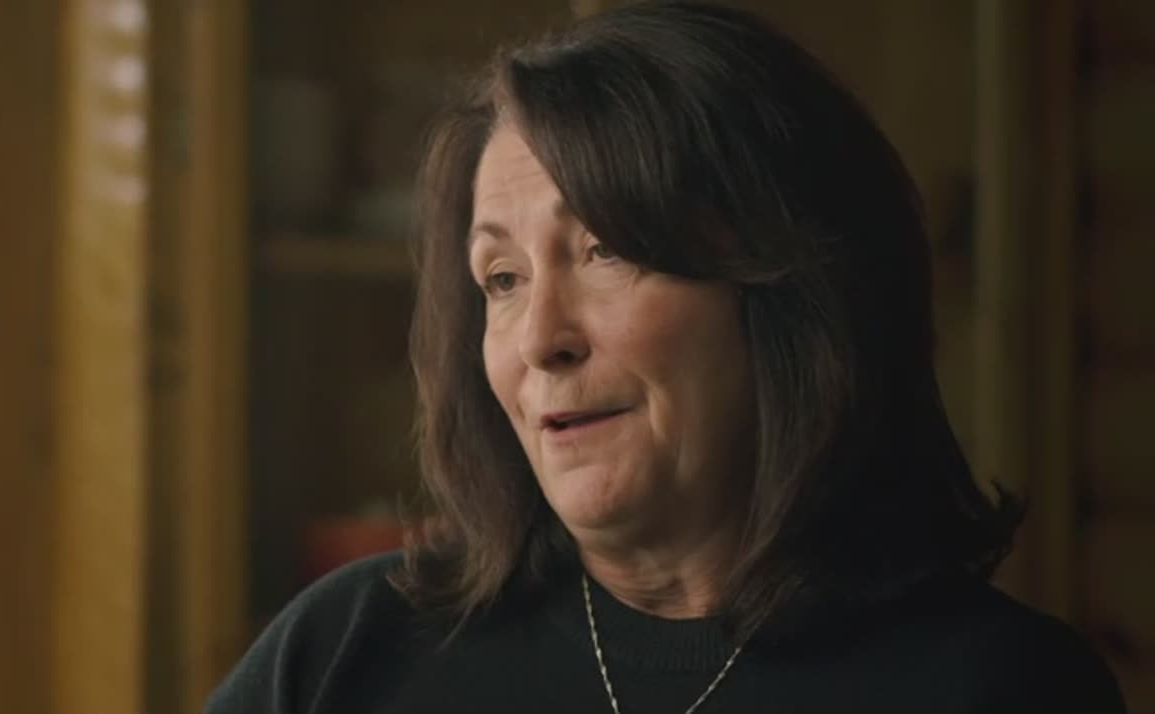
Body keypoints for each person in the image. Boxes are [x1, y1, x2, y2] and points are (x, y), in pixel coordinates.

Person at [207, 2, 1125, 712]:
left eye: (606, 250)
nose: (540, 339)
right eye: (503, 279)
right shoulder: (348, 649)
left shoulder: (1000, 684)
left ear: (787, 289)